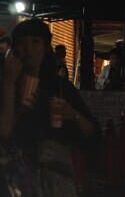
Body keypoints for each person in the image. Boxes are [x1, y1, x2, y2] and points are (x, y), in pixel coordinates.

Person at [1, 18, 97, 196]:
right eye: (21, 43)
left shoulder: (60, 87)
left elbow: (92, 131)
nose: (28, 49)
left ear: (46, 47)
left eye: (35, 42)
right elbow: (4, 134)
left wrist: (72, 114)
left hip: (55, 177)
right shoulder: (8, 84)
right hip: (15, 178)